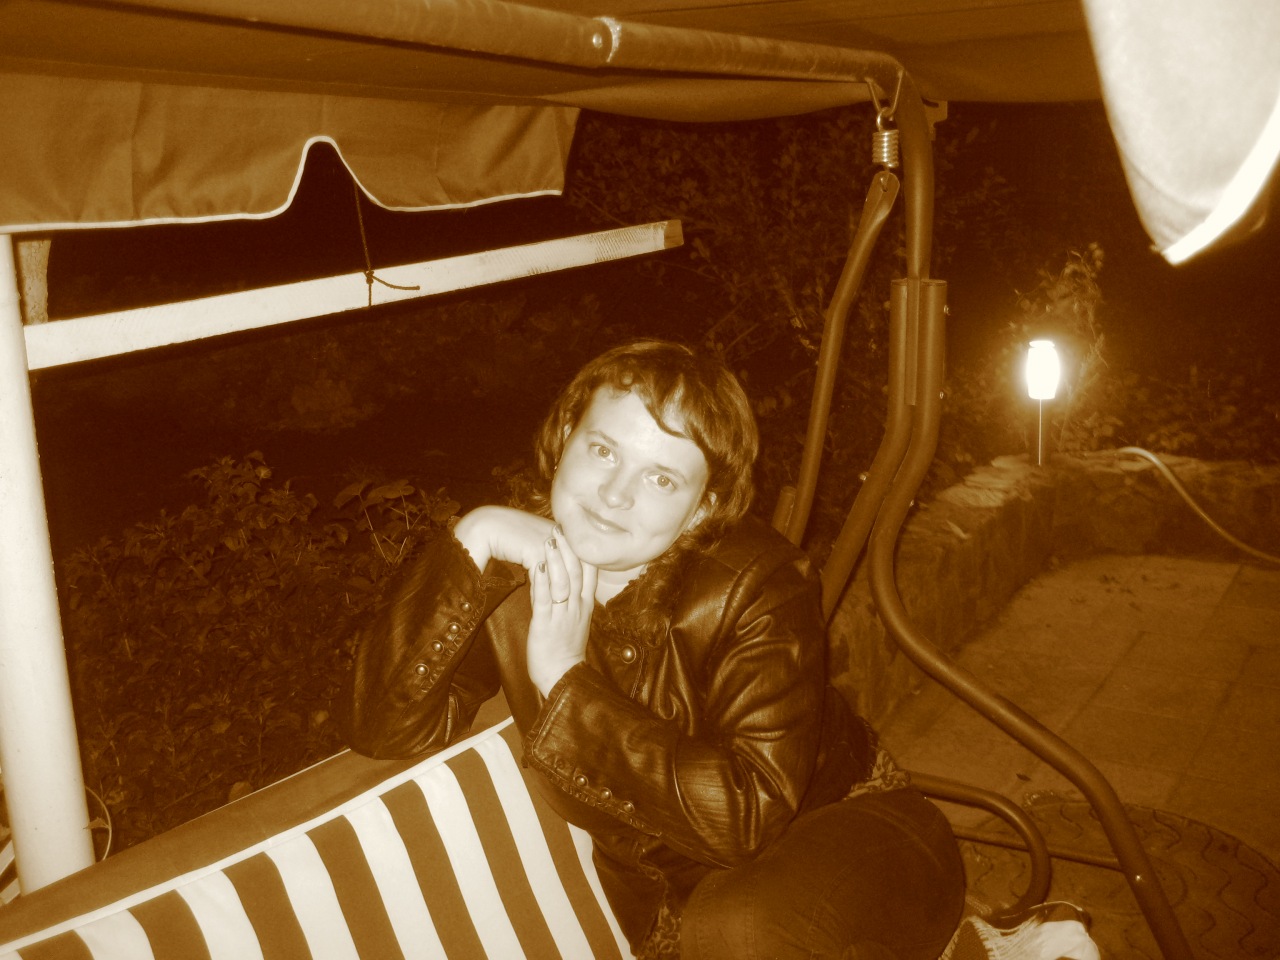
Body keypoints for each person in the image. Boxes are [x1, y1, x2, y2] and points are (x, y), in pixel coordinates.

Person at [342, 339, 965, 959]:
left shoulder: (760, 586)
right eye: (603, 450)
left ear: (702, 509)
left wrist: (564, 679)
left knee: (737, 928)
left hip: (855, 839)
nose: (615, 494)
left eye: (661, 478)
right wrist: (473, 537)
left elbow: (746, 817)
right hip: (688, 907)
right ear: (563, 440)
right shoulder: (516, 579)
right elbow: (382, 728)